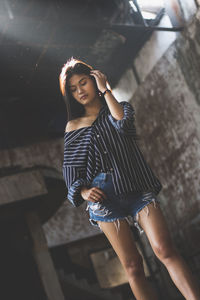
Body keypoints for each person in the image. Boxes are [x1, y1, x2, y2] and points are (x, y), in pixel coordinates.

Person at [60, 57, 200, 300]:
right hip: (104, 200)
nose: (79, 91)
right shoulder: (73, 126)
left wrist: (106, 90)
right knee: (133, 267)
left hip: (136, 187)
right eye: (73, 89)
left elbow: (123, 124)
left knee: (164, 249)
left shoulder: (120, 107)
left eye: (83, 83)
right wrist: (83, 192)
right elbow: (71, 171)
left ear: (94, 80)